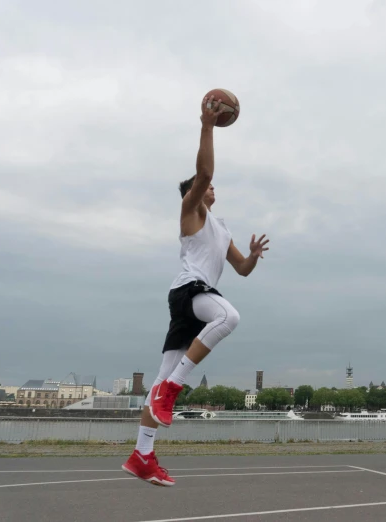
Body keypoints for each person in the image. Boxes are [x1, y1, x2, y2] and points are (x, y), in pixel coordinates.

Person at [122, 94, 270, 487]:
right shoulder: (190, 210)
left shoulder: (222, 230)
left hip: (195, 298)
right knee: (228, 316)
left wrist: (253, 256)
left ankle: (142, 455)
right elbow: (202, 174)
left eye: (212, 185)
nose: (212, 187)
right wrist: (207, 126)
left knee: (157, 380)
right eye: (207, 185)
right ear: (195, 192)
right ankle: (173, 389)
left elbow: (241, 270)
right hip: (189, 291)